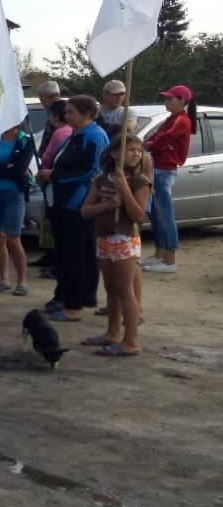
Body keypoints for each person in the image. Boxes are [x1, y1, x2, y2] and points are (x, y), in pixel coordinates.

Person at [38, 95, 108, 321]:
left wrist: (55, 175)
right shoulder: (76, 134)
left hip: (78, 203)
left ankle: (74, 304)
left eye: (71, 112)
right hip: (62, 201)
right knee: (67, 252)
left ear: (86, 113)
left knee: (74, 254)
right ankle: (67, 295)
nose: (66, 116)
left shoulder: (95, 136)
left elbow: (93, 171)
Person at [81, 135, 152, 356]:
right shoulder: (101, 180)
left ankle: (131, 341)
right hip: (104, 237)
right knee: (111, 287)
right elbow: (85, 211)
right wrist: (109, 204)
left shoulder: (140, 181)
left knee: (124, 288)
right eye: (130, 149)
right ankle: (112, 332)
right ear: (114, 153)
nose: (136, 154)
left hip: (125, 238)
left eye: (138, 150)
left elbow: (138, 214)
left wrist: (125, 190)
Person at [142, 84, 195, 273]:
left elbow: (161, 138)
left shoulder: (181, 120)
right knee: (156, 214)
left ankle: (169, 260)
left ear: (182, 101)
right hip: (158, 168)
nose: (166, 101)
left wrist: (149, 144)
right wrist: (150, 142)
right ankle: (160, 254)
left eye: (170, 98)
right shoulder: (172, 118)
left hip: (164, 170)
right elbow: (157, 136)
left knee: (164, 214)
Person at [0, 122, 35, 296]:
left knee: (13, 238)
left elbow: (20, 169)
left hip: (14, 194)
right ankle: (4, 278)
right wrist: (8, 167)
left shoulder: (25, 142)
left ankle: (22, 281)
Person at [33, 98, 72, 276]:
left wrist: (43, 173)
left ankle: (56, 264)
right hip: (63, 185)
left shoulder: (60, 133)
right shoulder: (72, 131)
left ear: (56, 116)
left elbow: (48, 157)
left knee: (53, 224)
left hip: (53, 183)